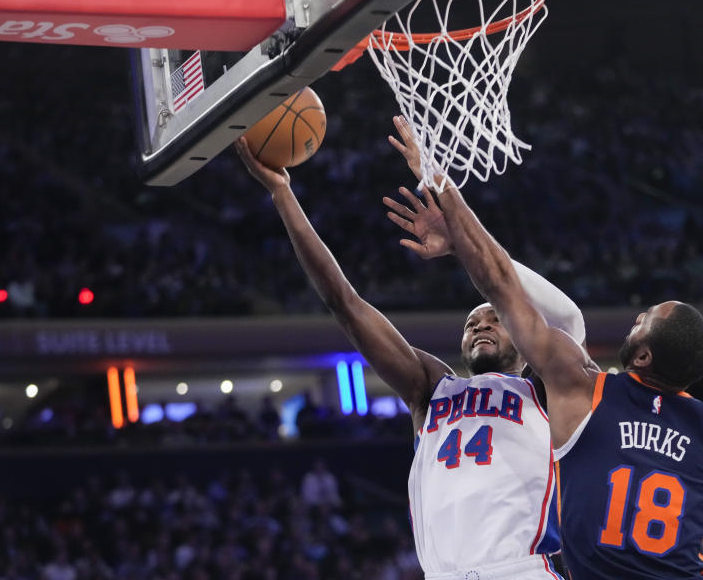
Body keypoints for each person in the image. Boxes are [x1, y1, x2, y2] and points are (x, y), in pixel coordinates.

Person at [406, 159, 703, 578]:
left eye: (643, 319)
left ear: (643, 357)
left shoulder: (586, 393)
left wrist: (449, 202)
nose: (636, 317)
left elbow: (500, 284)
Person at [235, 126, 579, 580]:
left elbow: (547, 306)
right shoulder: (431, 388)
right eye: (471, 323)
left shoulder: (549, 386)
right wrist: (282, 195)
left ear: (522, 330)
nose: (480, 325)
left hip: (520, 569)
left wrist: (454, 225)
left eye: (494, 317)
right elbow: (345, 302)